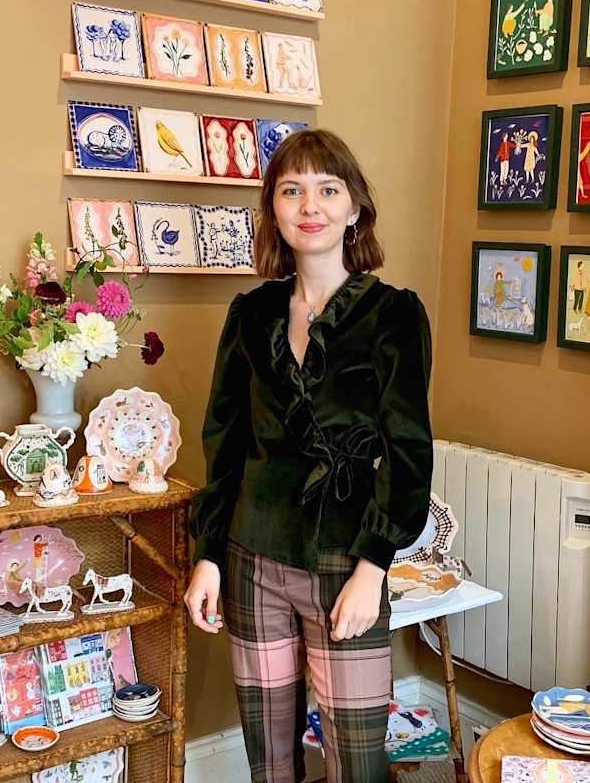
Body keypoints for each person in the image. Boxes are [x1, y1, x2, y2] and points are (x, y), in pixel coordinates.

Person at [184, 129, 433, 783]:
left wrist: (373, 568)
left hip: (344, 559)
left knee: (357, 760)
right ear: (273, 209)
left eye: (327, 189)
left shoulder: (393, 315)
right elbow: (224, 441)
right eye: (291, 191)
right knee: (270, 759)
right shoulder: (251, 313)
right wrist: (208, 554)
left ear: (354, 208)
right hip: (251, 553)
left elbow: (408, 451)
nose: (309, 206)